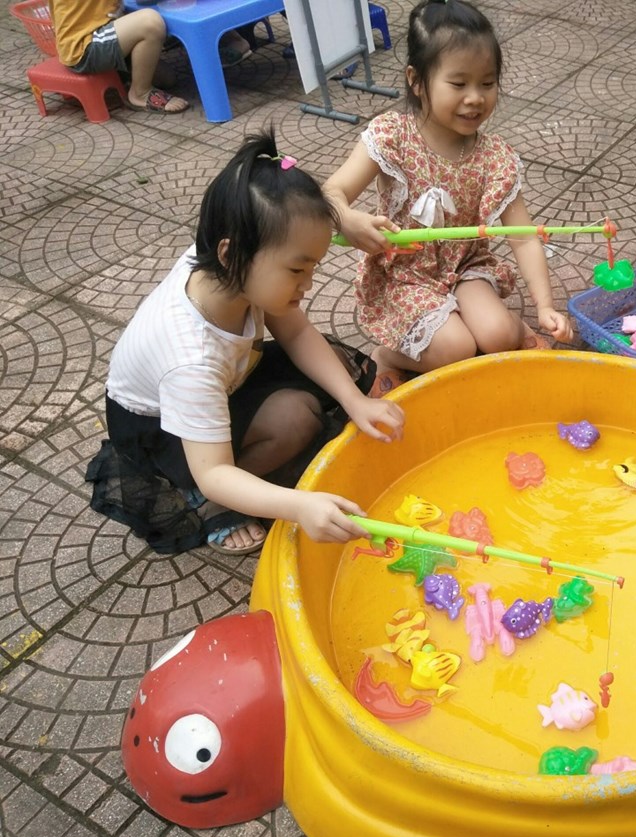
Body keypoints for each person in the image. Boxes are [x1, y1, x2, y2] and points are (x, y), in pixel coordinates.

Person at [86, 130, 406, 555]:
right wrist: (300, 505)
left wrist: (355, 400)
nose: (309, 285)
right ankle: (211, 503)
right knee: (294, 420)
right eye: (297, 271)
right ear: (230, 253)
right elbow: (214, 472)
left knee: (338, 371)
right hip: (162, 429)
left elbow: (296, 331)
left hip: (229, 375)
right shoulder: (190, 359)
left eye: (312, 268)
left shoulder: (233, 265)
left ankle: (241, 471)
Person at [323, 0, 573, 394]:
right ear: (416, 81)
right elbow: (330, 192)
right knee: (457, 348)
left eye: (487, 83)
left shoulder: (495, 156)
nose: (475, 98)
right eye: (459, 84)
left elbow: (524, 237)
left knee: (497, 335)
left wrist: (544, 306)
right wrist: (347, 218)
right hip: (406, 276)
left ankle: (511, 327)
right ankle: (388, 355)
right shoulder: (393, 137)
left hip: (466, 267)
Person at [48, 0, 191, 114]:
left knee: (167, 79)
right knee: (150, 22)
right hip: (83, 45)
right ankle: (140, 94)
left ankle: (124, 74)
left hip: (104, 26)